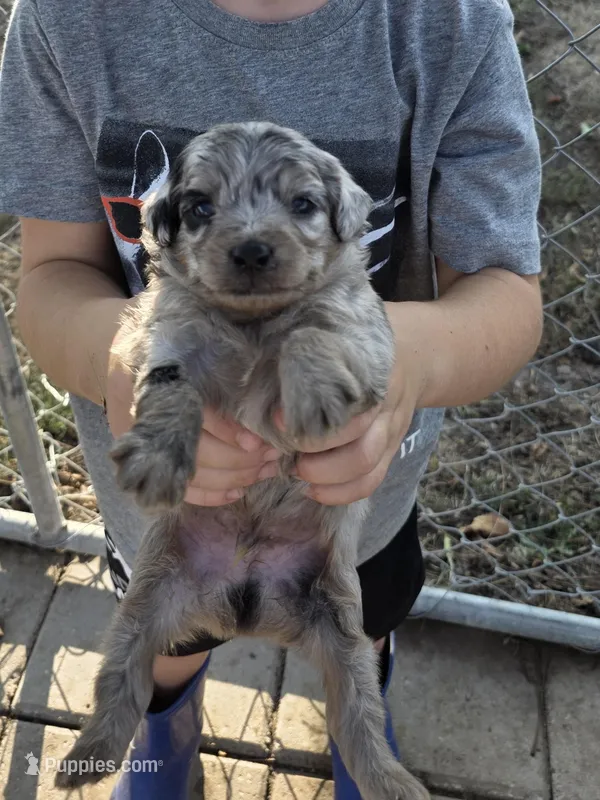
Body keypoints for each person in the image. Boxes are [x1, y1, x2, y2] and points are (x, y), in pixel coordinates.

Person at [0, 0, 544, 797]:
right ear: (170, 223)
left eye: (297, 206)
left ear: (336, 216)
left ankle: (365, 754)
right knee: (158, 641)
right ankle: (155, 745)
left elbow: (507, 294)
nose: (252, 241)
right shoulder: (66, 18)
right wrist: (131, 366)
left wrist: (402, 363)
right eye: (205, 208)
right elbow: (47, 281)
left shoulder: (450, 22)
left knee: (358, 632)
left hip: (357, 511)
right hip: (169, 519)